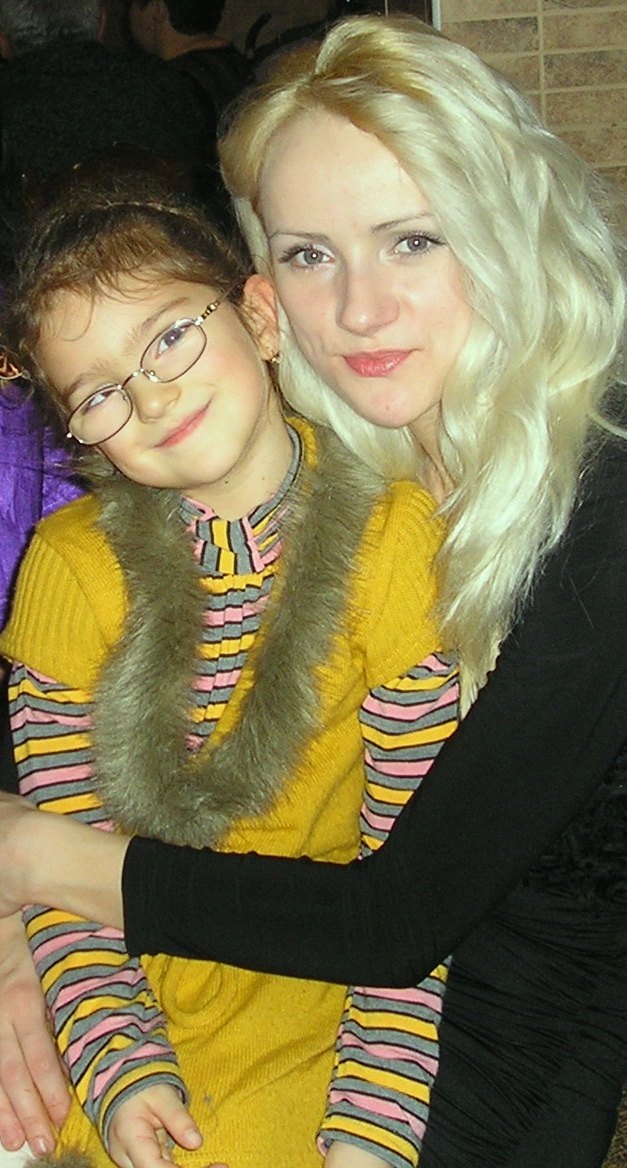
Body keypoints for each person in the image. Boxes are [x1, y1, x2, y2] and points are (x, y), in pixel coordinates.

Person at [0, 12, 625, 1168]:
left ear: (502, 223)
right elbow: (57, 718)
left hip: (501, 1026)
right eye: (309, 254)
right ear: (264, 293)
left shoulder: (603, 500)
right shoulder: (316, 451)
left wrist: (39, 861)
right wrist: (17, 940)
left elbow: (396, 918)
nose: (360, 309)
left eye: (412, 239)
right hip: (242, 985)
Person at [0, 172, 459, 1168]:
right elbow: (58, 867)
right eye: (99, 394)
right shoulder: (68, 570)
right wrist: (120, 1069)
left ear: (257, 316)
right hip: (120, 986)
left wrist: (373, 1133)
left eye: (169, 336)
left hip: (328, 991)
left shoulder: (396, 542)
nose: (150, 395)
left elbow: (417, 888)